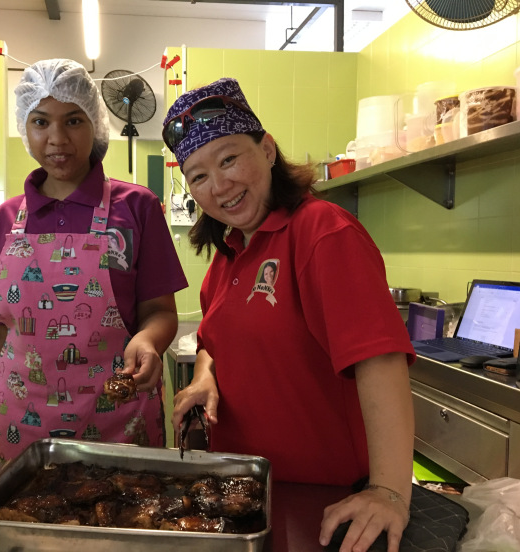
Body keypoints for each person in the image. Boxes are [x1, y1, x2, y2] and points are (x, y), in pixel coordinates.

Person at [163, 78, 415, 552]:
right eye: (198, 176)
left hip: (324, 504)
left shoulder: (322, 231)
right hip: (249, 498)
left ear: (268, 149)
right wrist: (205, 379)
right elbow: (214, 346)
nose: (219, 186)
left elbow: (379, 359)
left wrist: (388, 491)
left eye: (229, 159)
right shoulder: (228, 258)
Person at [0, 59, 188, 467]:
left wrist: (149, 341)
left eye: (73, 121)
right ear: (24, 127)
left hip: (120, 426)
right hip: (19, 431)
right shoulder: (7, 220)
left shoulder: (138, 208)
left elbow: (159, 312)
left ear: (95, 124)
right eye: (40, 122)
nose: (56, 138)